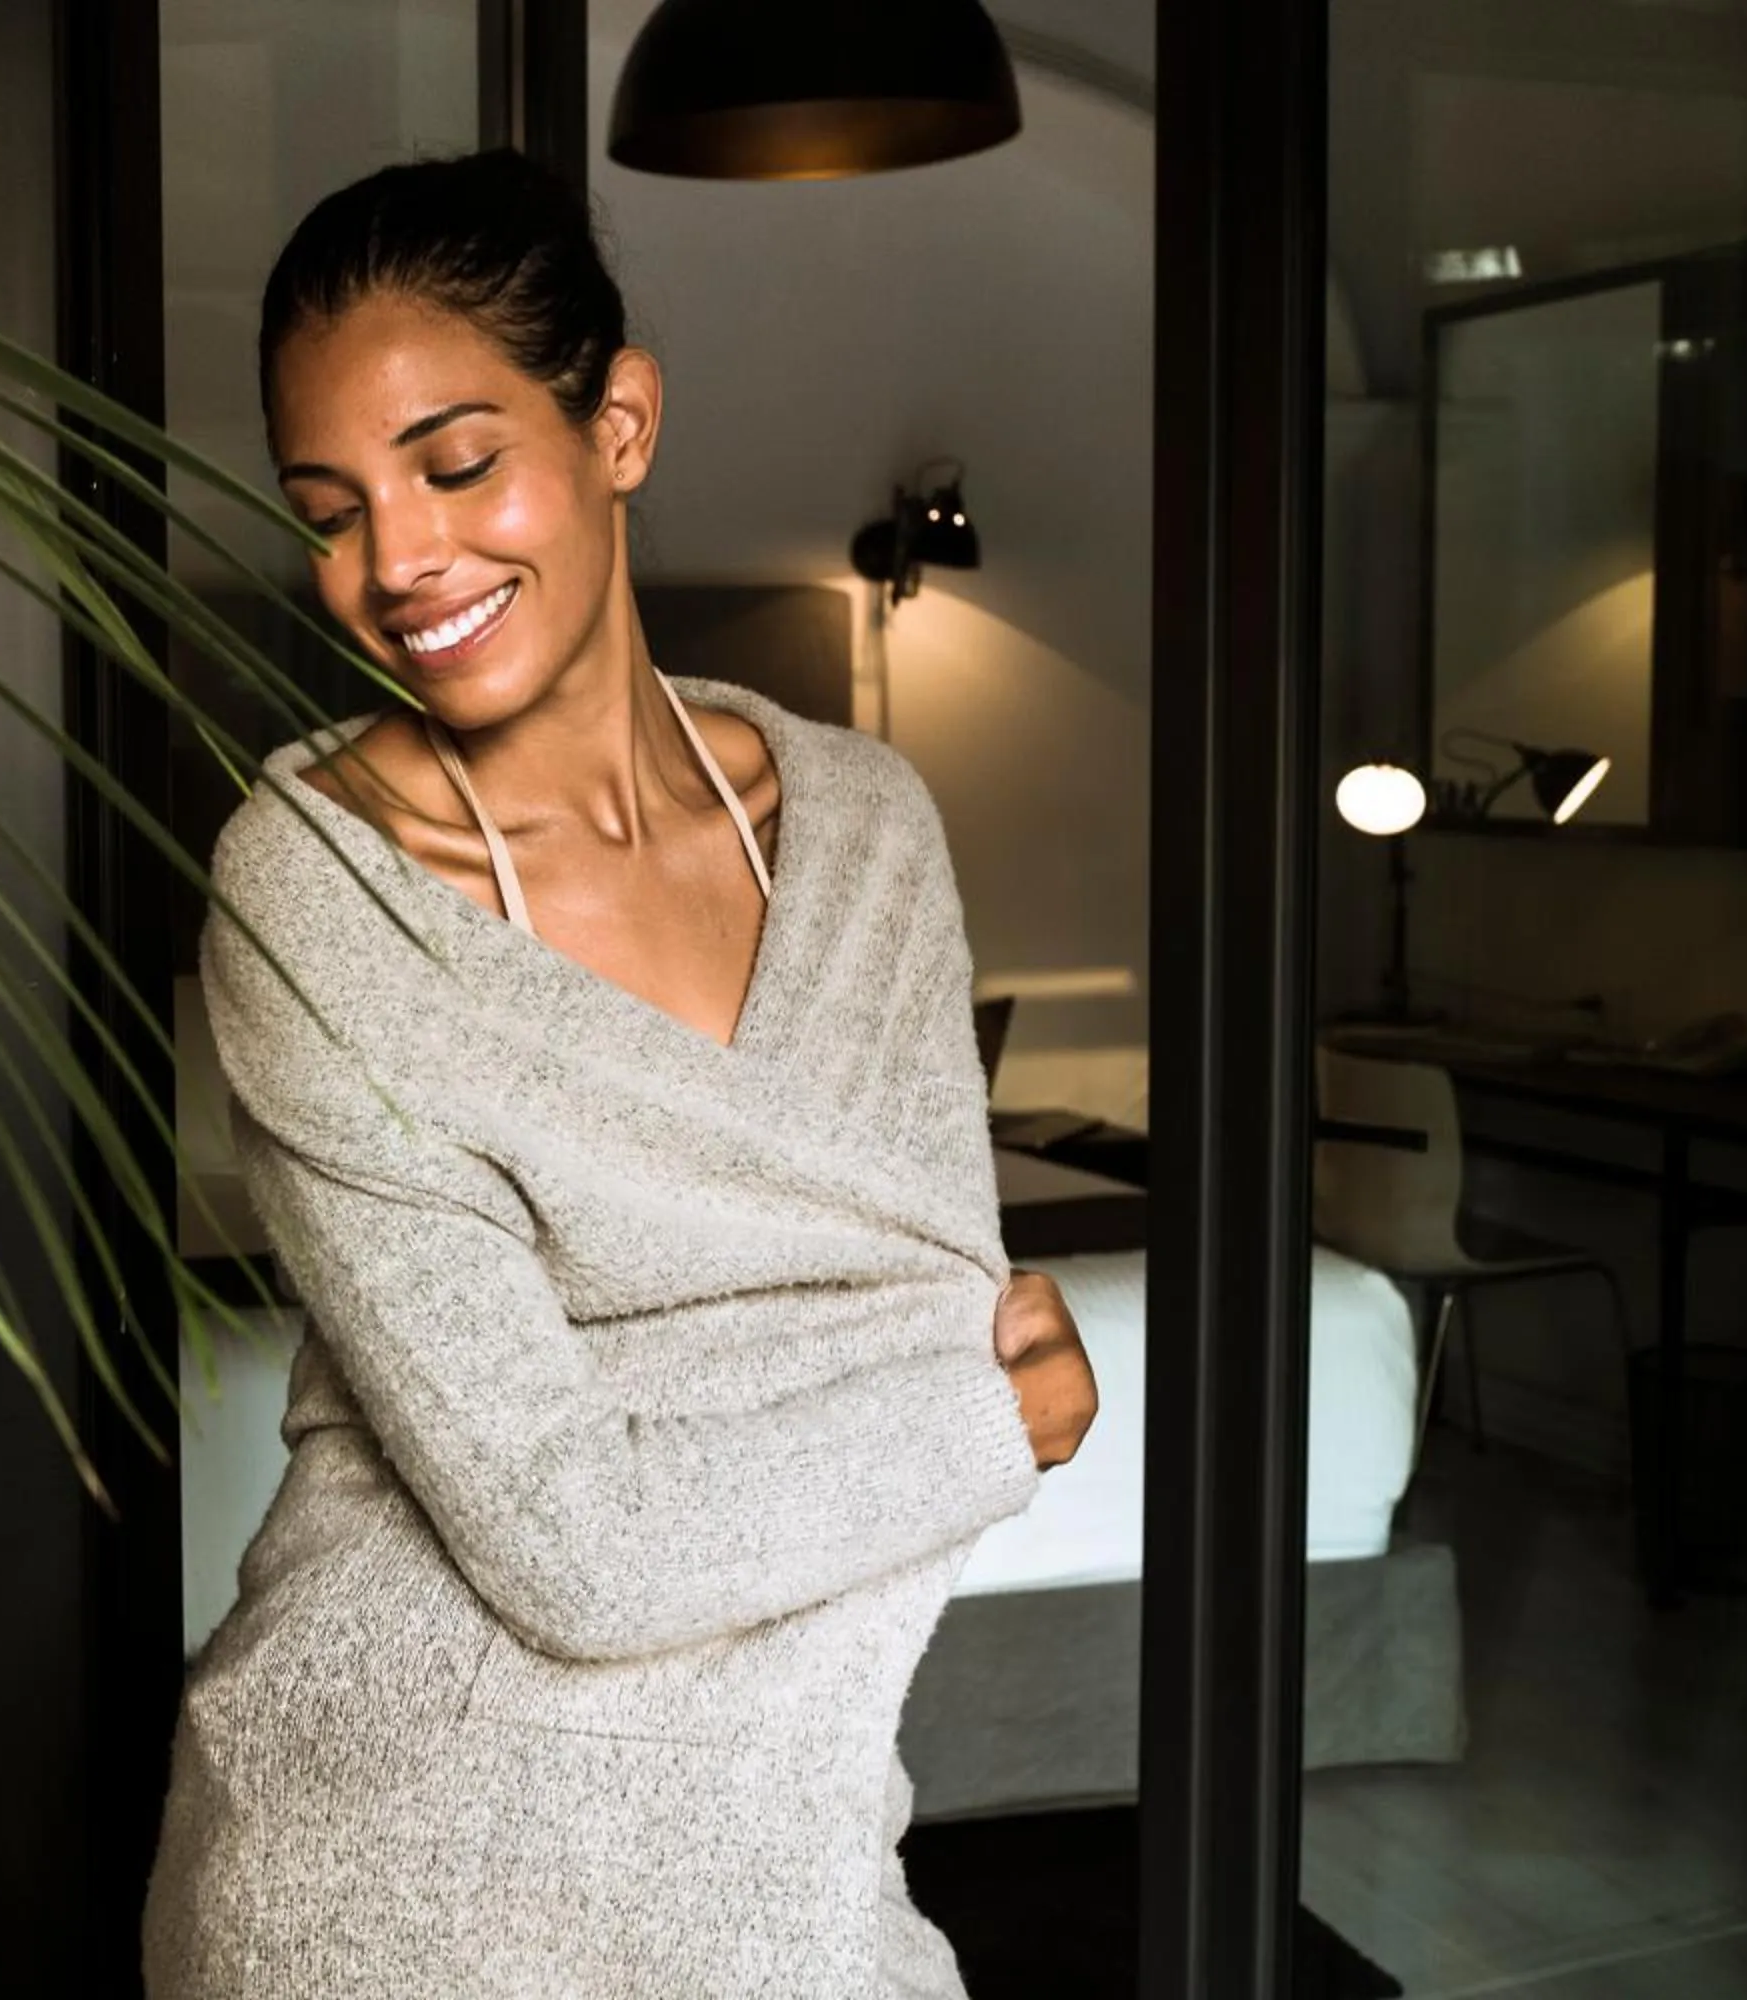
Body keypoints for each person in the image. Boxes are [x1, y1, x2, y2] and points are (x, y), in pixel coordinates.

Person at [144, 150, 1100, 1999]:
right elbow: (576, 1544)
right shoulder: (312, 889)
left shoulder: (867, 833)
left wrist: (738, 1396)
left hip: (790, 1856)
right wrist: (974, 1423)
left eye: (457, 461)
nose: (395, 564)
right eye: (329, 509)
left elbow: (915, 1306)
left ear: (622, 424)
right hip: (380, 1881)